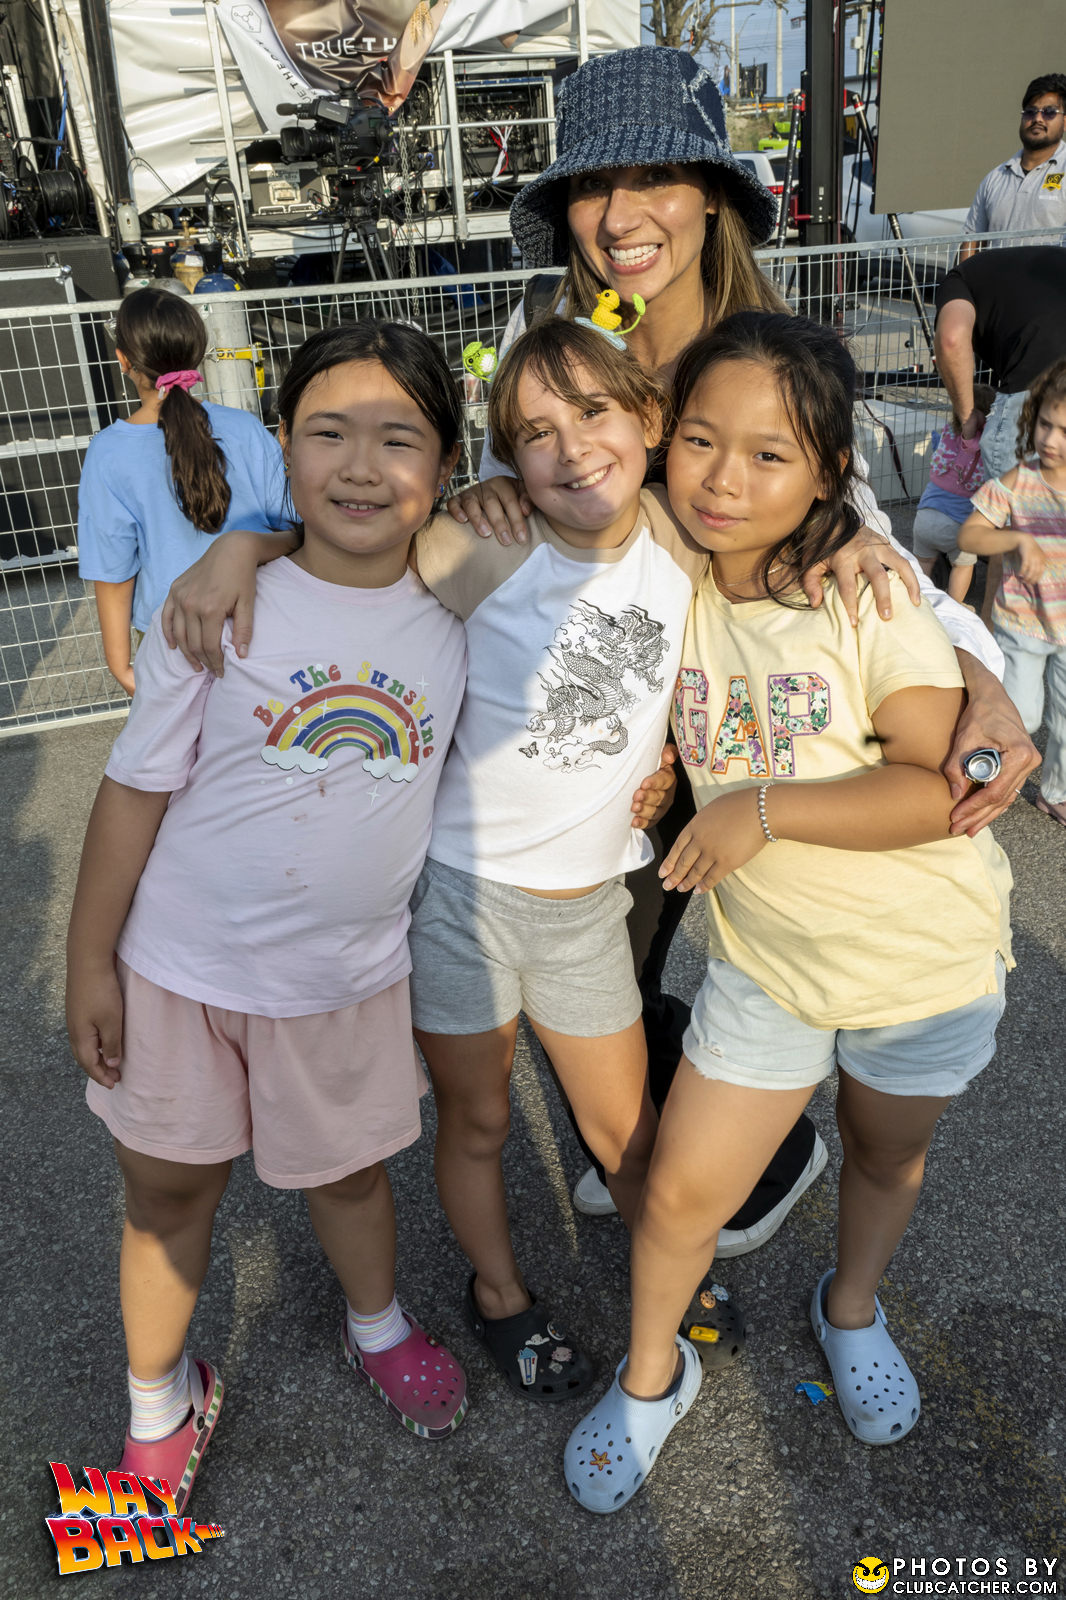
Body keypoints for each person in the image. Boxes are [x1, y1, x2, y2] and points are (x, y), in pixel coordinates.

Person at [151, 314, 919, 1401]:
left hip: (584, 908)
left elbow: (790, 519)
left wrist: (862, 537)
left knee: (626, 1130)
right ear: (505, 457)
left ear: (649, 421)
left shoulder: (683, 536)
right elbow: (349, 546)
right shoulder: (483, 546)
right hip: (456, 901)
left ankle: (673, 1272)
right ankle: (500, 1291)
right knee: (477, 1120)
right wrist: (243, 545)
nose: (570, 448)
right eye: (534, 432)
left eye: (594, 413)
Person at [449, 45, 1035, 1244]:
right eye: (592, 186)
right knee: (590, 967)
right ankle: (663, 1142)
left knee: (666, 959)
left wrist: (982, 683)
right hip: (593, 727)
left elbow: (865, 548)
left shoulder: (767, 345)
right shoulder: (551, 324)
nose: (621, 217)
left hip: (729, 728)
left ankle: (744, 1159)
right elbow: (517, 473)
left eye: (655, 178)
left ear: (713, 194)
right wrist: (487, 488)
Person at [563, 312, 1012, 1513]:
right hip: (768, 969)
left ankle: (849, 1306)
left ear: (828, 473)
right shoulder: (668, 584)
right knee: (678, 1193)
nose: (724, 478)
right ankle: (651, 1375)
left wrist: (758, 810)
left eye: (769, 454)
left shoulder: (863, 594)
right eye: (700, 440)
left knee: (883, 1150)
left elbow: (937, 788)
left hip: (921, 963)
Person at [65, 321, 470, 1509]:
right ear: (280, 446)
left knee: (347, 1176)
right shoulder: (210, 609)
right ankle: (157, 1399)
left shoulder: (467, 595)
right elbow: (133, 790)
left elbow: (612, 528)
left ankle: (376, 1322)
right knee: (167, 1194)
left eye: (400, 438)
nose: (362, 466)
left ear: (447, 465)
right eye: (329, 433)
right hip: (177, 971)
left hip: (342, 980)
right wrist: (90, 962)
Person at [78, 288, 286, 696]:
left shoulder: (108, 452)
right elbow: (292, 524)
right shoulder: (245, 427)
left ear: (123, 360)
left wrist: (121, 665)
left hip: (170, 635)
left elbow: (113, 571)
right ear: (198, 353)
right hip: (260, 619)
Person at [959, 358, 1066, 826]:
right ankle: (988, 775)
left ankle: (1056, 792)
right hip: (1022, 624)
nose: (1050, 440)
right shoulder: (1019, 481)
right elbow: (969, 535)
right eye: (1044, 424)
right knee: (1022, 715)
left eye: (1064, 431)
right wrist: (1016, 539)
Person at [934, 242, 1066, 623]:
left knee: (1008, 534)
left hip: (1033, 395)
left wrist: (967, 416)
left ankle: (995, 646)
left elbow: (952, 338)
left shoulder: (958, 279)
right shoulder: (1046, 262)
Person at [959, 74, 1066, 261]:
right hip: (996, 280)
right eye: (1030, 112)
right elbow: (972, 241)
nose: (1037, 119)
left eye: (1049, 112)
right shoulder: (995, 178)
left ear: (1065, 122)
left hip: (1051, 280)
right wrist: (965, 278)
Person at [911, 383, 996, 604]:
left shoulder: (948, 434)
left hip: (924, 517)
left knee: (922, 564)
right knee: (963, 566)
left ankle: (917, 602)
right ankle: (953, 606)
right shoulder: (987, 447)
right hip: (957, 526)